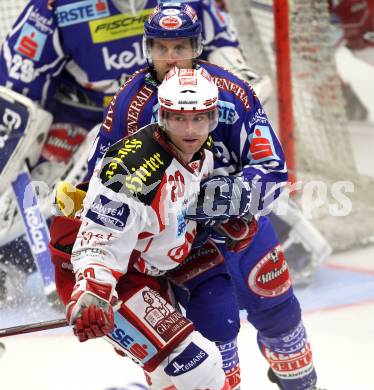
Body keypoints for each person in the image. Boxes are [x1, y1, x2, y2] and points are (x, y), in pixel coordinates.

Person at [84, 3, 323, 389]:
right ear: (148, 49)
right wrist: (110, 275)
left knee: (277, 306)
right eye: (161, 48)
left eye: (180, 47)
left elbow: (273, 169)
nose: (171, 58)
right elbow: (102, 188)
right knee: (217, 324)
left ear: (197, 46)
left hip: (240, 228)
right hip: (180, 242)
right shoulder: (130, 106)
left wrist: (234, 194)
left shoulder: (232, 92)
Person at [0, 0, 268, 301]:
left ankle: (203, 251)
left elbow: (222, 46)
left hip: (171, 110)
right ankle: (19, 257)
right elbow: (17, 87)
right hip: (77, 115)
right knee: (63, 190)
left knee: (218, 167)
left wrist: (242, 87)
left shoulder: (187, 5)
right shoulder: (55, 6)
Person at [49, 66, 230, 390]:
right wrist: (93, 293)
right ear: (163, 117)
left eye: (200, 118)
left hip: (143, 269)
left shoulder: (201, 151)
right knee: (199, 369)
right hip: (106, 278)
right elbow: (99, 241)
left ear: (212, 117)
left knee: (168, 377)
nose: (190, 129)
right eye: (178, 118)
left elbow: (177, 204)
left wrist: (218, 217)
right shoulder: (134, 172)